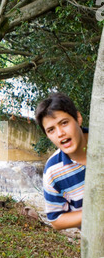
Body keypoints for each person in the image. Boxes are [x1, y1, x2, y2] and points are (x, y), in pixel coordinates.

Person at [35, 92, 88, 231]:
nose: (60, 133)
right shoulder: (53, 172)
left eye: (64, 123)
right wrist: (95, 213)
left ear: (78, 118)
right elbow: (56, 220)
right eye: (51, 130)